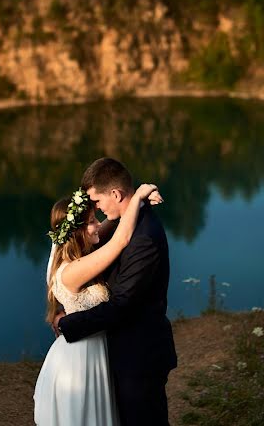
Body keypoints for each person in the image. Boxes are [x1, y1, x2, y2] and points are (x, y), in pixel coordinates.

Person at [56, 157, 178, 426]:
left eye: (97, 203)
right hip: (118, 354)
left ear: (115, 194)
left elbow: (122, 303)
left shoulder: (144, 239)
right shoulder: (123, 224)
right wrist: (141, 198)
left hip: (140, 356)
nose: (96, 213)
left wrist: (68, 323)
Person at [34, 181, 162, 426]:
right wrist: (140, 194)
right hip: (79, 363)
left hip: (95, 353)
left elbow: (115, 219)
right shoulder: (73, 270)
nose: (97, 225)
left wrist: (133, 200)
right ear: (77, 231)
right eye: (92, 221)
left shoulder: (77, 255)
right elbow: (120, 240)